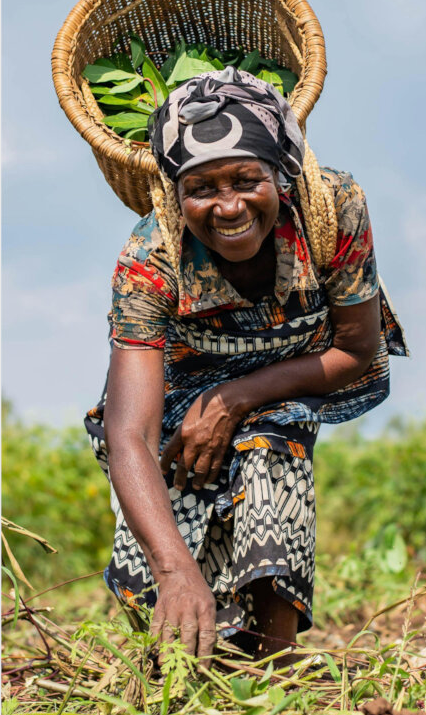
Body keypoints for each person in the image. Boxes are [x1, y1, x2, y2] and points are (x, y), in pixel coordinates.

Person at [86, 67, 408, 666]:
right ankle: (199, 651)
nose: (228, 206)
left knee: (269, 444)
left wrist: (238, 397)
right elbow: (128, 432)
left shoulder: (332, 209)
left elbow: (356, 349)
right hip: (179, 392)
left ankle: (276, 663)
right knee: (173, 521)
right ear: (176, 194)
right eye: (202, 189)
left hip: (294, 369)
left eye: (247, 180)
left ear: (280, 175)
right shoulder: (150, 257)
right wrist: (174, 569)